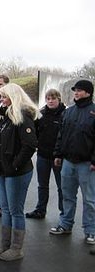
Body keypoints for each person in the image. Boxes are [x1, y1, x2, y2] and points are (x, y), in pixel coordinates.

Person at [0, 83, 37, 261]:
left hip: (17, 172)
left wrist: (15, 165)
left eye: (4, 96)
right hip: (3, 171)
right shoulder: (3, 117)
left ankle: (16, 248)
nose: (1, 99)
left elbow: (30, 145)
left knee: (16, 210)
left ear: (13, 97)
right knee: (6, 209)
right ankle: (5, 244)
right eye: (0, 96)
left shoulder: (23, 116)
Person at [49, 79, 95, 246]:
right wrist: (58, 154)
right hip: (68, 161)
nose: (76, 92)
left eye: (80, 90)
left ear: (88, 92)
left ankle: (91, 231)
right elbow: (61, 135)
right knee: (67, 195)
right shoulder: (69, 112)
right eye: (75, 90)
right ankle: (66, 224)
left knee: (90, 199)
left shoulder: (93, 112)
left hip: (87, 164)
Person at [26, 89, 65, 219]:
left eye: (53, 98)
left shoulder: (65, 114)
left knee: (61, 187)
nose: (50, 101)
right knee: (42, 185)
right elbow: (34, 131)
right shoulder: (41, 114)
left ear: (59, 99)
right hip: (43, 155)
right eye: (48, 98)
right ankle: (40, 210)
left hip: (59, 157)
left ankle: (63, 213)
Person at [0, 74, 9, 217]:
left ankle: (5, 206)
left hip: (7, 148)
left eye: (0, 84)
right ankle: (2, 205)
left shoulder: (11, 104)